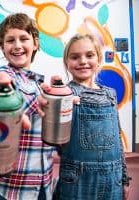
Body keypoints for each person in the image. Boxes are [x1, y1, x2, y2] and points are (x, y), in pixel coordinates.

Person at [0, 13, 55, 200]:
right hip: (7, 189)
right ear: (2, 47)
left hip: (42, 184)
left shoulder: (39, 83)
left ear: (35, 43)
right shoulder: (1, 74)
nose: (17, 45)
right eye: (10, 40)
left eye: (23, 38)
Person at [51, 33, 131, 199]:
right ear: (67, 62)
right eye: (75, 57)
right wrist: (56, 103)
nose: (82, 61)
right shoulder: (66, 94)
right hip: (77, 182)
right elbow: (55, 142)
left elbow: (117, 140)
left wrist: (124, 179)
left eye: (89, 55)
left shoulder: (111, 95)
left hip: (113, 181)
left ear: (99, 58)